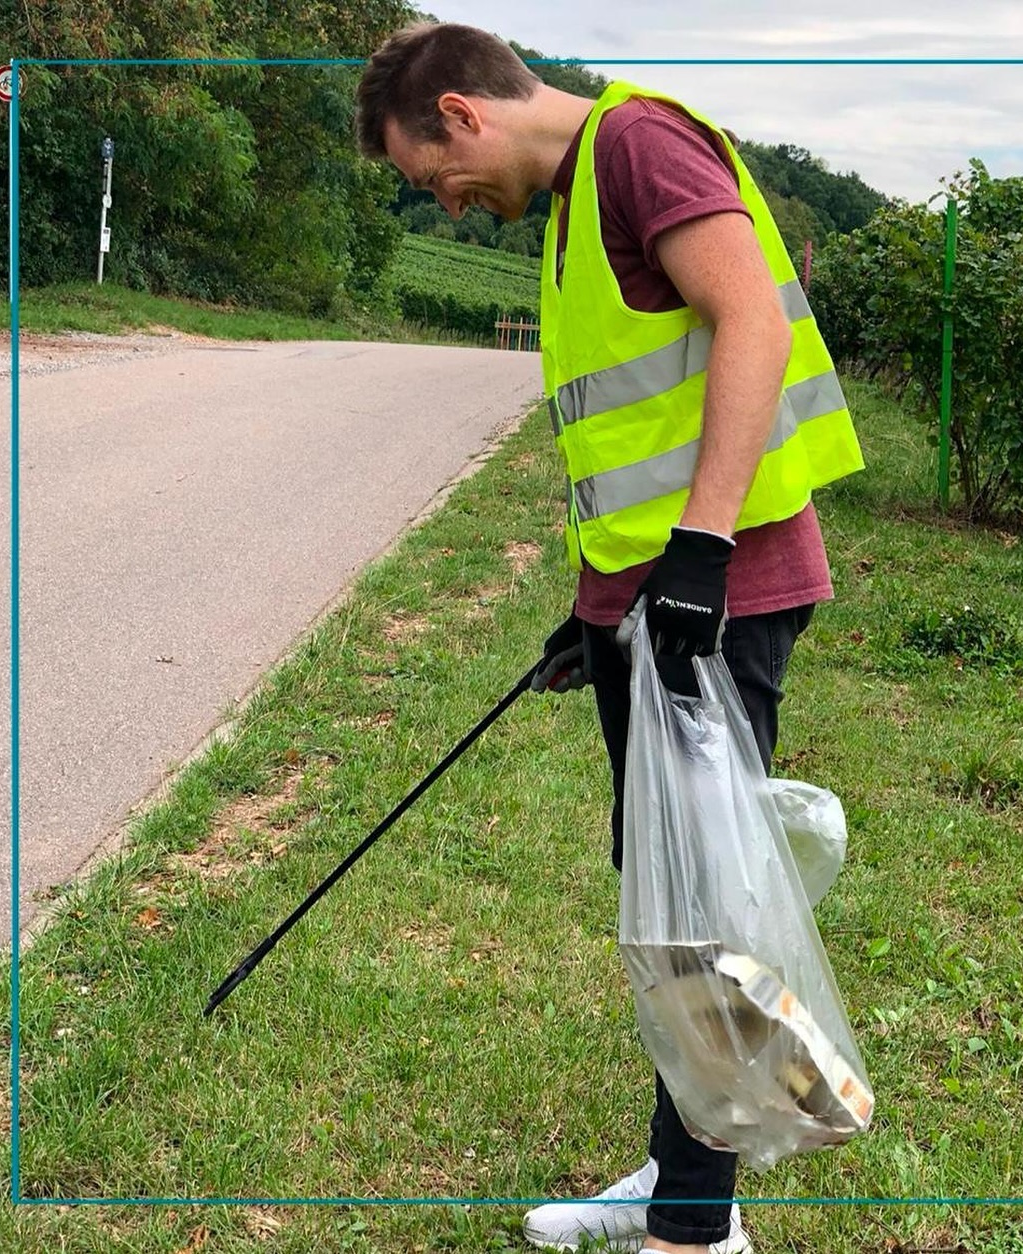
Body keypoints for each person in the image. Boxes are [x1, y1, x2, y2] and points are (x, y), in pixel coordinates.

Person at [355, 23, 863, 1254]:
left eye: (433, 177)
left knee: (705, 912)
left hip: (719, 593)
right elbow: (639, 428)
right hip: (654, 606)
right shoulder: (579, 201)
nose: (452, 205)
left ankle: (700, 1230)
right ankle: (682, 1182)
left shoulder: (638, 146)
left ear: (464, 114)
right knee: (671, 902)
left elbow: (752, 322)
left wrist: (695, 555)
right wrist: (597, 611)